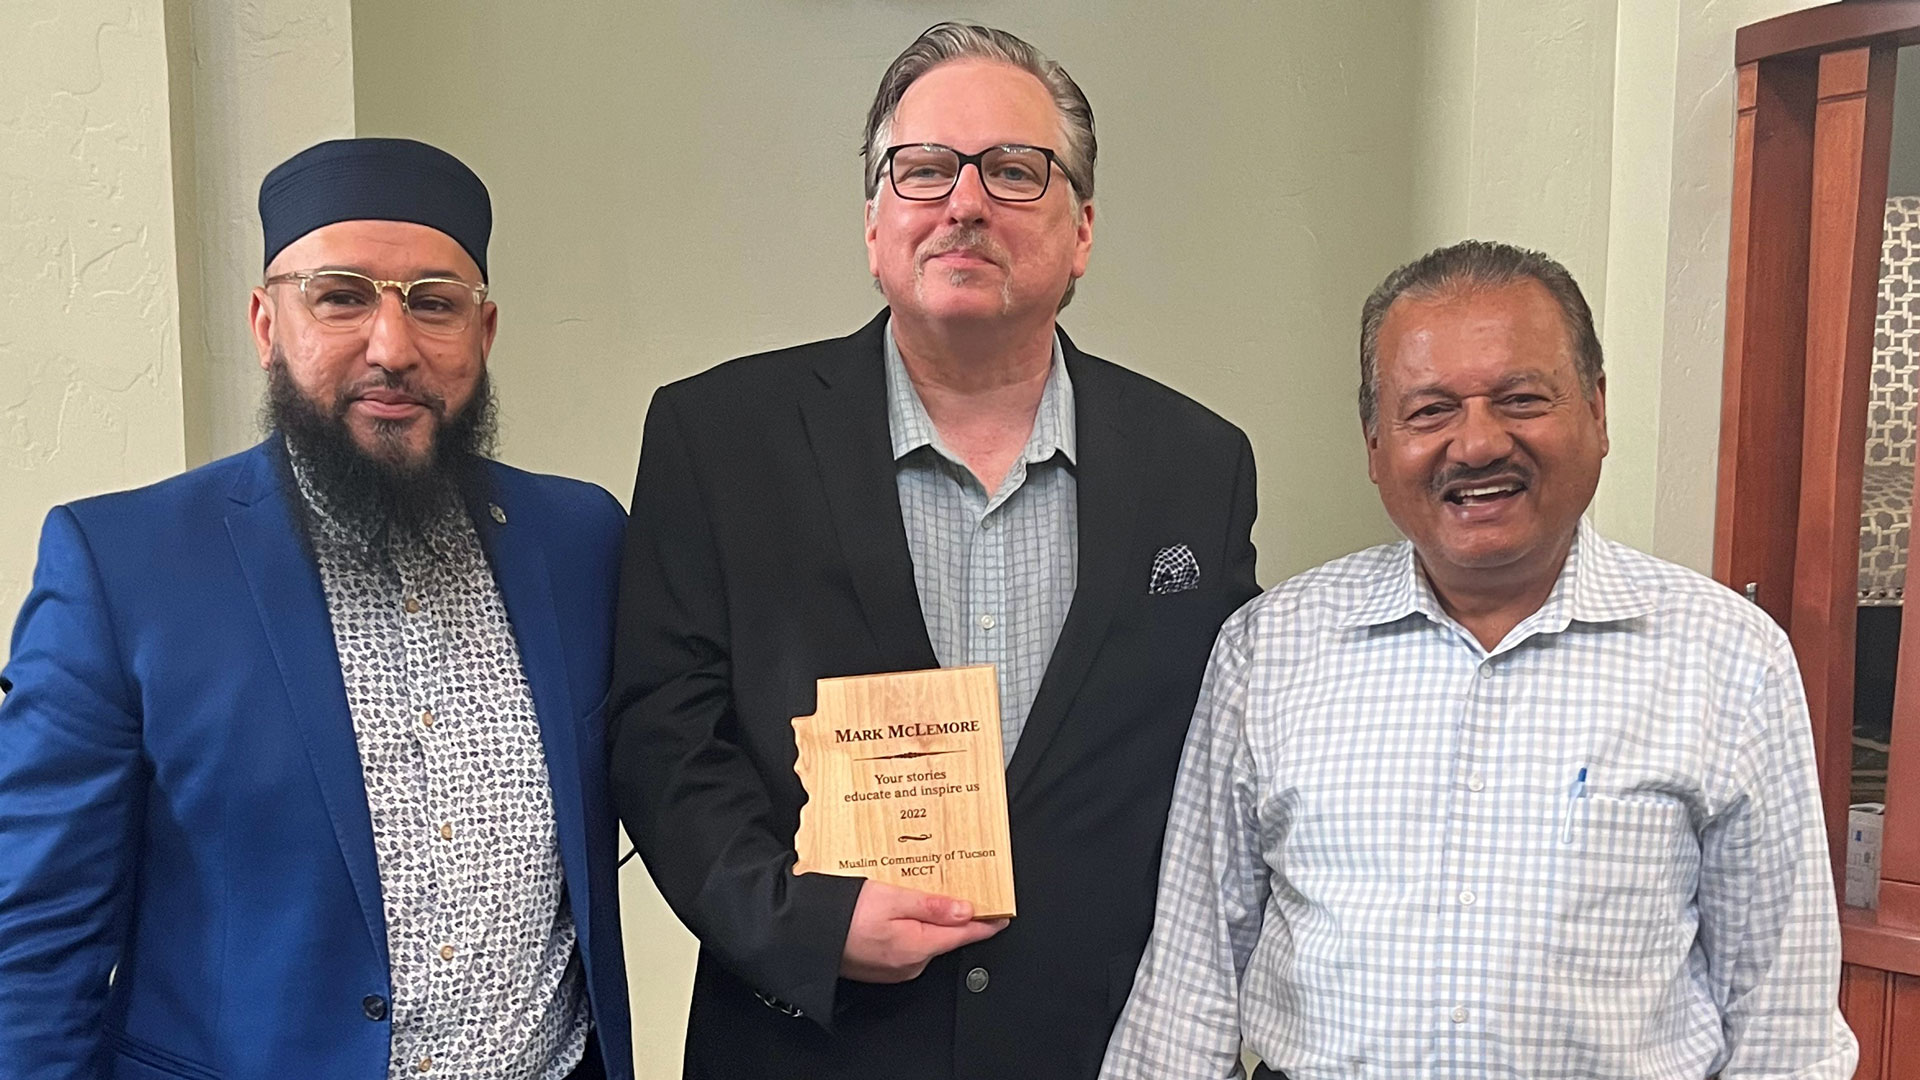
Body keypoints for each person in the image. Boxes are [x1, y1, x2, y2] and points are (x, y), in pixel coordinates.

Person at [609, 22, 1258, 1080]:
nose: (965, 203)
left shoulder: (1198, 464)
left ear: (1082, 229)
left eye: (1014, 170)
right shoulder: (717, 438)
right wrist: (801, 924)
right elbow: (662, 737)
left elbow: (1218, 770)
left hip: (1098, 1051)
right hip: (809, 1042)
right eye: (924, 171)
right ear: (875, 222)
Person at [1101, 239, 1857, 1079]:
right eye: (1430, 411)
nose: (1478, 444)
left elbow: (1781, 1021)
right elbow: (1190, 979)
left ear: (1598, 412)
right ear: (1375, 443)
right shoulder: (1269, 649)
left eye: (1522, 398)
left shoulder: (1729, 659)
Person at [0, 138, 633, 1080]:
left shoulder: (579, 538)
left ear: (484, 333)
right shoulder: (124, 568)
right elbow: (35, 944)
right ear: (266, 324)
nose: (393, 347)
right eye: (340, 296)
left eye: (435, 303)